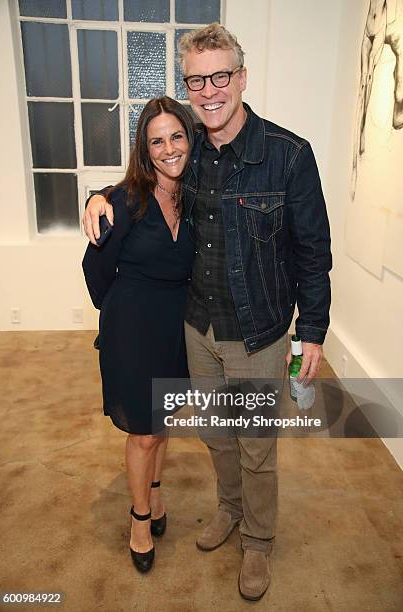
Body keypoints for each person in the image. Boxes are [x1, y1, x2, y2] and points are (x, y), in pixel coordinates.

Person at [83, 24, 332, 601]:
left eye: (221, 76)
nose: (210, 90)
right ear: (188, 85)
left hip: (259, 331)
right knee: (216, 435)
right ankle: (227, 510)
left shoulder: (289, 155)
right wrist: (95, 195)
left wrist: (311, 333)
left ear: (241, 78)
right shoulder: (189, 150)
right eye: (197, 80)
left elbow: (312, 253)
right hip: (196, 328)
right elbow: (142, 174)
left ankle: (260, 541)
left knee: (255, 444)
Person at [82, 96, 195, 574]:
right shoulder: (125, 200)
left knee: (163, 421)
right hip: (132, 329)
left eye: (176, 136)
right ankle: (139, 520)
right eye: (157, 140)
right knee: (143, 434)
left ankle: (156, 493)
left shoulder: (197, 197)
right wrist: (121, 314)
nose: (169, 148)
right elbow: (95, 269)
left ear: (190, 139)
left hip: (177, 327)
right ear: (144, 149)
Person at [351, 0, 403, 198]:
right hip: (372, 27)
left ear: (244, 78)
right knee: (365, 81)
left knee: (368, 80)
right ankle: (361, 142)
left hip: (380, 25)